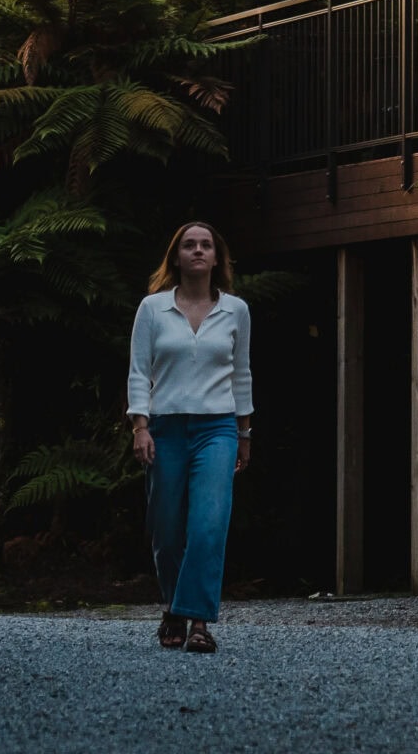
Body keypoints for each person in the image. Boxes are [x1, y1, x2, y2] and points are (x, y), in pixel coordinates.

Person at [126, 222, 253, 654]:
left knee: (209, 523)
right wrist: (140, 426)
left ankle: (198, 621)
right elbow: (139, 371)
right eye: (189, 245)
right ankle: (173, 608)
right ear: (176, 257)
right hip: (165, 428)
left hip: (218, 428)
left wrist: (244, 432)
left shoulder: (236, 310)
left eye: (206, 245)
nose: (198, 251)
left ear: (217, 258)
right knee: (165, 528)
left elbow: (241, 373)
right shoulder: (152, 309)